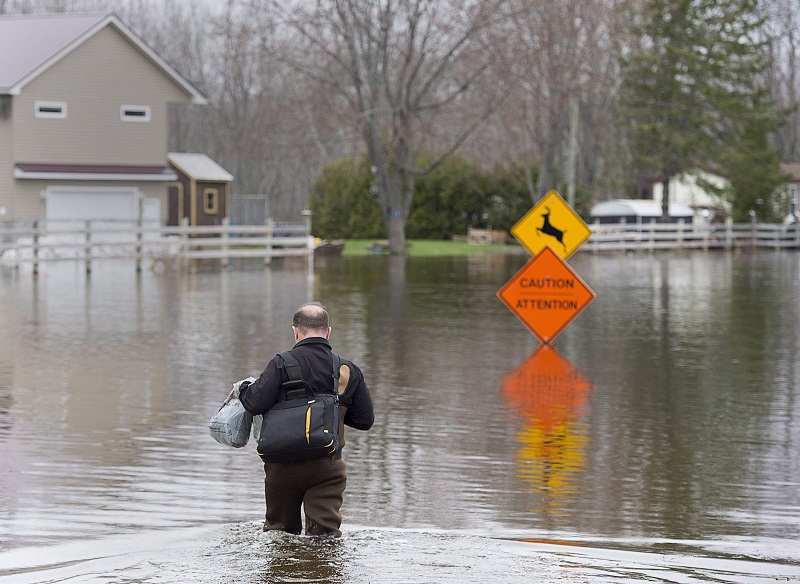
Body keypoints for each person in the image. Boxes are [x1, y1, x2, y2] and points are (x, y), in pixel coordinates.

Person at [238, 301, 374, 537]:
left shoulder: (281, 363)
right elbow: (364, 420)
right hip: (327, 465)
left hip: (282, 466)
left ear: (295, 331)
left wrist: (243, 390)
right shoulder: (347, 369)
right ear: (328, 332)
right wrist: (333, 409)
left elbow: (253, 403)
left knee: (279, 535)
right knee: (325, 537)